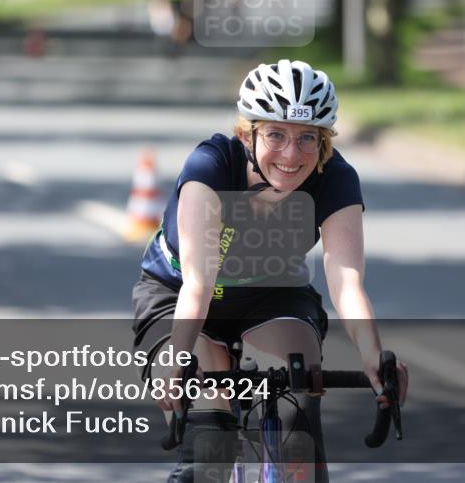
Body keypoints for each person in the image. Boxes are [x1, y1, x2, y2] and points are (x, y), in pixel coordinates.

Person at [132, 59, 409, 483]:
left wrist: (373, 357)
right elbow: (200, 282)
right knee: (212, 441)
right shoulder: (211, 166)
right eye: (275, 134)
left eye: (307, 139)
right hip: (180, 295)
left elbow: (346, 281)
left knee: (295, 412)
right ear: (248, 134)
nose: (291, 154)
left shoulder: (334, 178)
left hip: (271, 294)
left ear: (325, 142)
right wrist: (177, 359)